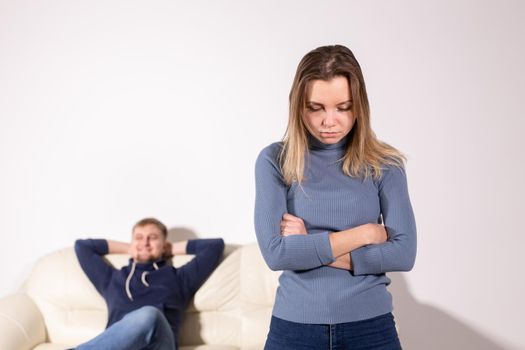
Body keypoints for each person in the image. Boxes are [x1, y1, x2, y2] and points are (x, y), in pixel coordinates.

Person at [254, 45, 417, 349]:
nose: (329, 121)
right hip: (294, 330)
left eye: (343, 107)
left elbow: (403, 254)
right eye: (315, 107)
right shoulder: (275, 160)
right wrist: (365, 233)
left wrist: (309, 243)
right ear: (298, 106)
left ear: (360, 106)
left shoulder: (385, 164)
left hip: (370, 328)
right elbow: (276, 254)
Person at [73, 217, 225, 350]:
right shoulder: (112, 279)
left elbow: (215, 246)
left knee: (149, 314)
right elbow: (82, 247)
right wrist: (132, 248)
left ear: (164, 245)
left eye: (152, 237)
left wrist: (167, 249)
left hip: (160, 345)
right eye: (139, 237)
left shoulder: (179, 278)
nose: (145, 243)